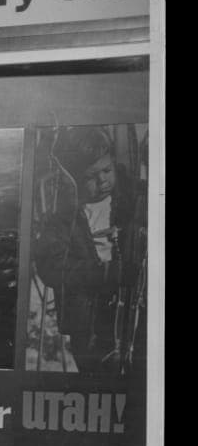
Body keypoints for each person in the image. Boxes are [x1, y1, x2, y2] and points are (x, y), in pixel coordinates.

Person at [30, 125, 148, 375]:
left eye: (107, 170)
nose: (103, 180)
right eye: (91, 177)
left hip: (132, 312)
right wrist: (104, 274)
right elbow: (51, 267)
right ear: (73, 179)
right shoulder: (62, 215)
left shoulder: (134, 198)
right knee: (98, 377)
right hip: (89, 323)